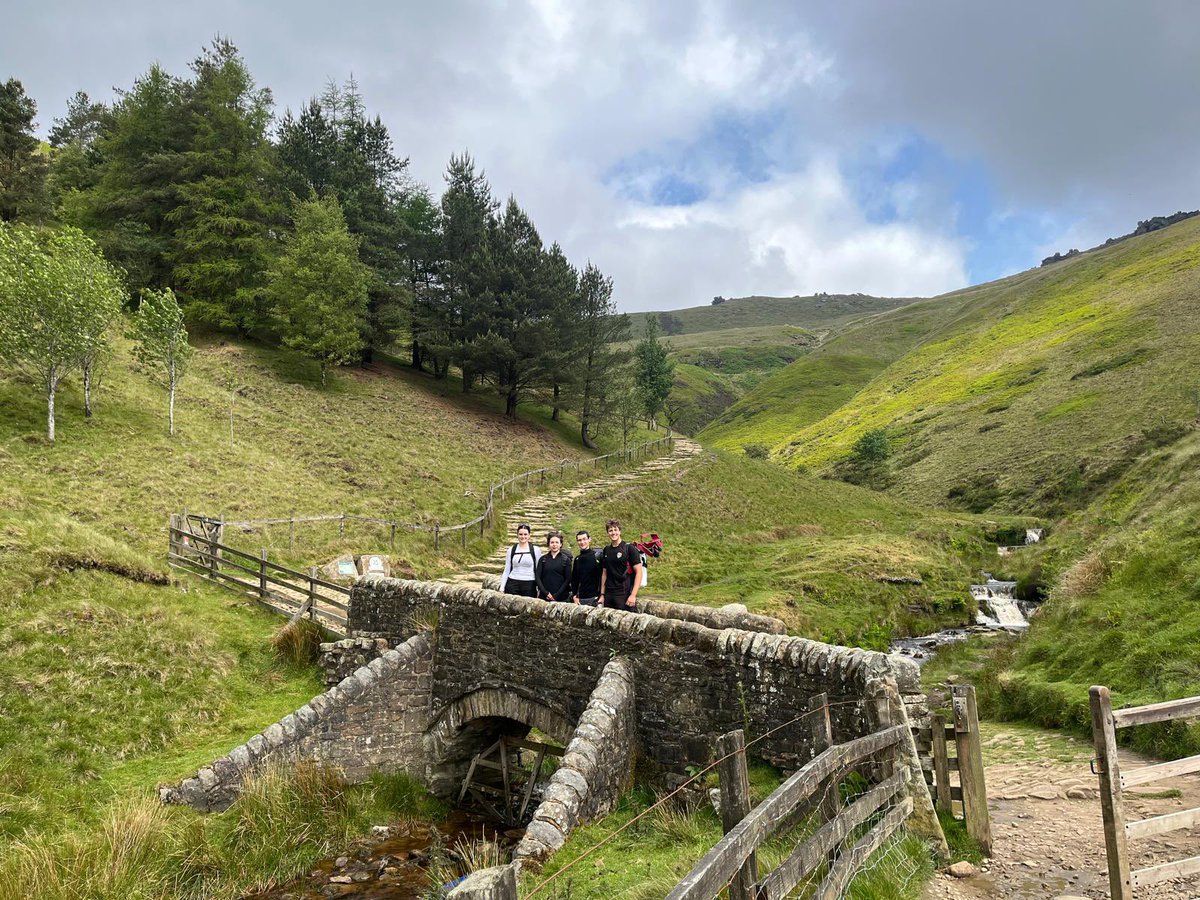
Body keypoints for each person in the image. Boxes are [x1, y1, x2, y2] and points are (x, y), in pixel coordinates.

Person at [599, 518, 642, 611]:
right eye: (610, 530)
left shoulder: (629, 549)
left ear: (620, 531)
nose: (613, 533)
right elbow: (604, 573)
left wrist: (633, 595)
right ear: (607, 533)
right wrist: (602, 595)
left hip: (624, 594)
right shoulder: (606, 550)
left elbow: (639, 572)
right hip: (609, 594)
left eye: (615, 530)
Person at [499, 523, 541, 597]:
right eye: (520, 534)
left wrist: (539, 587)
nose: (523, 536)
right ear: (517, 535)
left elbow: (539, 570)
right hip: (512, 583)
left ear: (529, 535)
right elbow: (507, 570)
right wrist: (502, 587)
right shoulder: (511, 550)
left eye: (525, 534)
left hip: (530, 583)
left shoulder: (535, 550)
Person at [536, 531, 573, 602]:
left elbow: (567, 579)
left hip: (561, 598)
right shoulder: (543, 559)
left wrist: (556, 595)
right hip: (544, 597)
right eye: (552, 542)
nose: (554, 545)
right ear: (548, 544)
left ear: (560, 544)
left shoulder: (566, 560)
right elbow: (538, 577)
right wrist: (546, 593)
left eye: (557, 542)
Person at [570, 529, 603, 607]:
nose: (582, 542)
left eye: (584, 539)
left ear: (589, 539)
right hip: (580, 599)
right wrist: (574, 596)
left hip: (595, 598)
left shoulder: (598, 556)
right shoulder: (577, 559)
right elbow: (574, 580)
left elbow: (603, 577)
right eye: (579, 540)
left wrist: (602, 595)